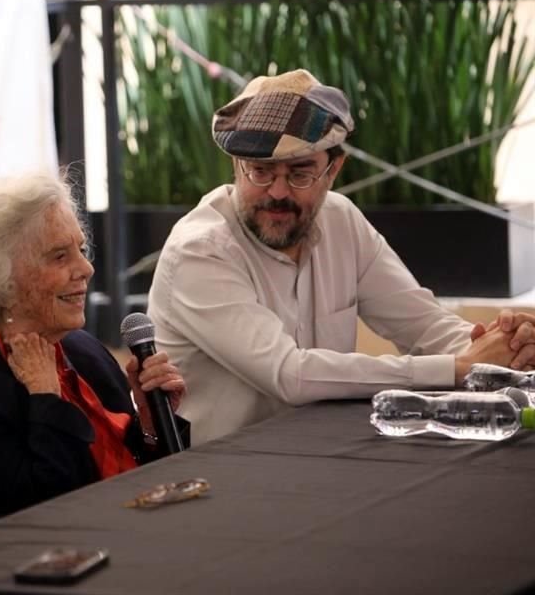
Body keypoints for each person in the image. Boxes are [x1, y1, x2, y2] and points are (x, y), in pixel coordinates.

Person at [148, 68, 535, 443]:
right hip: (221, 479)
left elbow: (424, 326)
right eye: (260, 171)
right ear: (236, 165)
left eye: (300, 173)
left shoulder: (342, 219)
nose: (278, 192)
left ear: (334, 169)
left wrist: (504, 346)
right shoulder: (198, 251)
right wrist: (458, 368)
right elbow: (290, 374)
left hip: (326, 455)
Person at [0, 171, 189, 522]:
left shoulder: (81, 349)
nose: (86, 268)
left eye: (80, 249)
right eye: (59, 257)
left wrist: (151, 421)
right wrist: (46, 401)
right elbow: (40, 517)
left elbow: (134, 468)